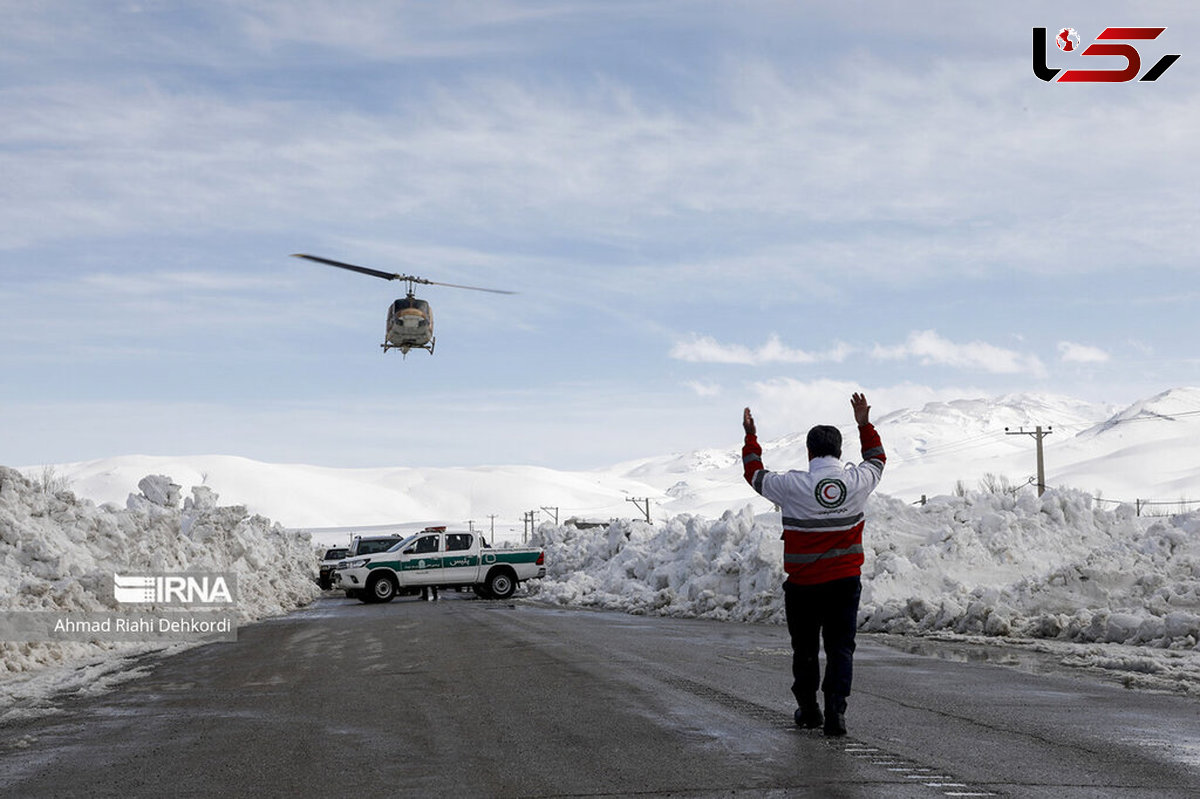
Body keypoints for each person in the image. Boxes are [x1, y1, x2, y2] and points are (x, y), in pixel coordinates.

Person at [742, 393, 885, 736]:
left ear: (808, 452)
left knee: (804, 648)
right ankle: (836, 712)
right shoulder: (855, 482)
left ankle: (809, 711)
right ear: (839, 451)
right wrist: (864, 424)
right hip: (845, 583)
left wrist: (750, 436)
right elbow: (877, 459)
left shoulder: (791, 486)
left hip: (804, 586)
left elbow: (754, 474)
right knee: (840, 647)